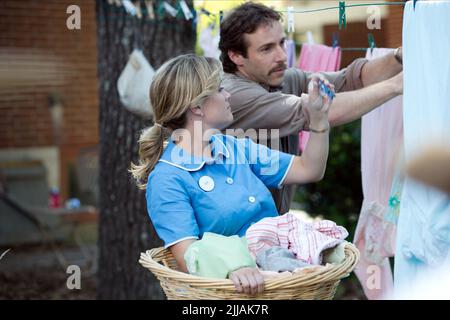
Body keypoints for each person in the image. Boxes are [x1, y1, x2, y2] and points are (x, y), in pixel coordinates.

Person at [130, 54, 335, 295]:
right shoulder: (167, 178)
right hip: (236, 291)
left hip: (283, 278)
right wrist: (233, 266)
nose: (228, 95)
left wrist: (319, 118)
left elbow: (308, 169)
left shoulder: (234, 146)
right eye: (219, 89)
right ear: (196, 106)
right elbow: (188, 257)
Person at [219, 2, 404, 214]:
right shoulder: (233, 95)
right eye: (267, 49)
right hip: (236, 234)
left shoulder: (281, 79)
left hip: (270, 225)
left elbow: (350, 80)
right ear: (236, 56)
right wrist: (395, 86)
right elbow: (319, 111)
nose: (281, 55)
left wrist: (399, 56)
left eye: (282, 43)